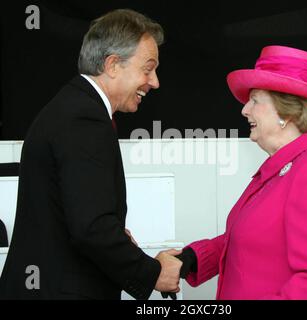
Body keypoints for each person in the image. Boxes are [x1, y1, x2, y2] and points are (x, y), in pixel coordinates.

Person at [0, 9, 182, 300]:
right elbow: (91, 229)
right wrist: (153, 274)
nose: (155, 82)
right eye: (148, 69)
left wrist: (112, 235)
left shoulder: (74, 107)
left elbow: (76, 216)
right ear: (112, 65)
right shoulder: (84, 119)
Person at [178, 45, 307, 299]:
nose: (245, 109)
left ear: (286, 112)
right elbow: (251, 241)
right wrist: (191, 260)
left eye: (255, 100)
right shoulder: (284, 167)